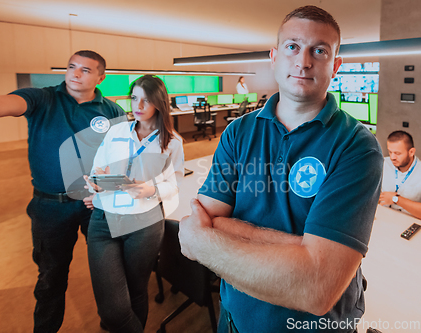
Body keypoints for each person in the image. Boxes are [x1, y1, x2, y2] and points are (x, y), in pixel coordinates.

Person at [178, 6, 383, 333]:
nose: (303, 61)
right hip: (234, 318)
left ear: (337, 66)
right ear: (274, 56)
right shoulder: (238, 132)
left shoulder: (356, 146)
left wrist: (210, 239)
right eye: (292, 46)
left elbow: (315, 288)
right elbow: (201, 224)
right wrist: (302, 248)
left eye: (319, 50)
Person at [0, 50, 126, 333]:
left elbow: (123, 158)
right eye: (71, 67)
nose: (75, 74)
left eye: (85, 70)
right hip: (50, 208)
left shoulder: (113, 111)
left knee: (110, 273)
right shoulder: (43, 99)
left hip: (96, 206)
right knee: (51, 279)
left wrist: (106, 191)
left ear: (101, 77)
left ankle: (114, 323)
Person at [83, 75, 184, 332]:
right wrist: (95, 181)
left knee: (137, 290)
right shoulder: (116, 131)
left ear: (159, 103)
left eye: (146, 100)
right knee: (112, 309)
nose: (138, 105)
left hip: (144, 222)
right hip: (103, 221)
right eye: (134, 98)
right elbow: (96, 168)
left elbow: (175, 184)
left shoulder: (172, 141)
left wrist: (152, 189)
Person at [380, 130, 421, 219]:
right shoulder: (383, 163)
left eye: (397, 153)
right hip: (382, 217)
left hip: (408, 221)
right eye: (390, 152)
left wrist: (396, 199)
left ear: (411, 152)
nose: (392, 157)